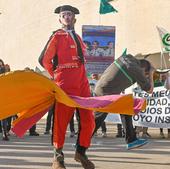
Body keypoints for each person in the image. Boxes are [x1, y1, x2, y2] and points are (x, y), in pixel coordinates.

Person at [39, 5, 95, 169]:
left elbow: (82, 60)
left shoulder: (78, 37)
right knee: (61, 121)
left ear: (74, 19)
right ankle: (58, 157)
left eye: (69, 15)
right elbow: (44, 60)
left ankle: (81, 152)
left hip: (82, 82)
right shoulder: (57, 36)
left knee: (89, 120)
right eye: (64, 15)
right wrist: (56, 76)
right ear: (59, 19)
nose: (67, 17)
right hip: (64, 82)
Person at [94, 54, 155, 150]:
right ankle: (80, 144)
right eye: (146, 74)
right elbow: (150, 90)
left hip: (101, 88)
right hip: (106, 94)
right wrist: (151, 73)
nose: (145, 76)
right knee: (97, 120)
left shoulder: (127, 57)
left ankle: (131, 140)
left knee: (125, 109)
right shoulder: (138, 70)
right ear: (144, 70)